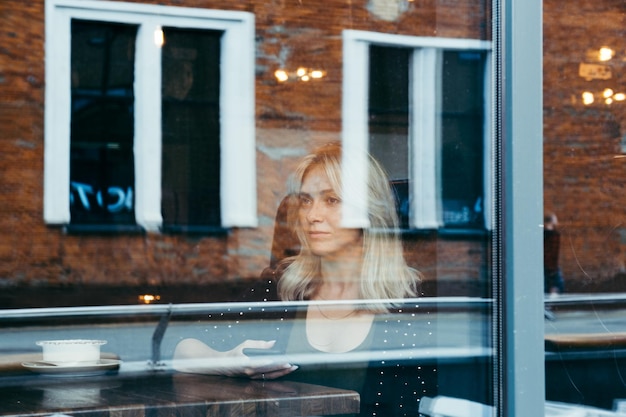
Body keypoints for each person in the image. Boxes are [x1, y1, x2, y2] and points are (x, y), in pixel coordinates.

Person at [173, 142, 436, 416]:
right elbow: (178, 348)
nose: (312, 215)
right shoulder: (282, 287)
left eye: (332, 200)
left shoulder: (411, 306)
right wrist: (228, 362)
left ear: (368, 213)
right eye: (306, 200)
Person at [544, 212, 564, 296]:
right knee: (557, 286)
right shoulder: (554, 235)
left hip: (547, 266)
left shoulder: (546, 234)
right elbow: (553, 254)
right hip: (550, 266)